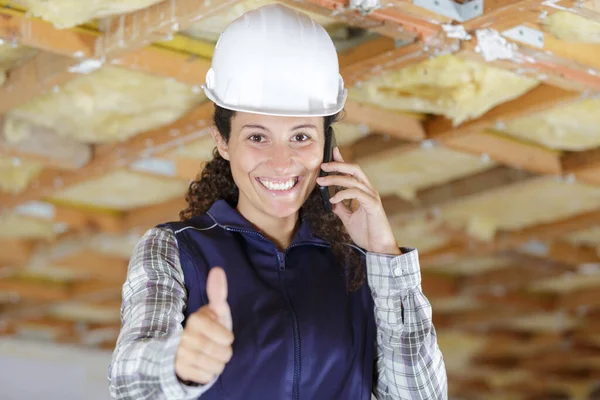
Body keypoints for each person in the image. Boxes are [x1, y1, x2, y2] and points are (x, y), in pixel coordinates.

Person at [108, 4, 447, 400]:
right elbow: (130, 384)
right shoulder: (175, 249)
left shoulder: (357, 267)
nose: (282, 162)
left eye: (301, 137)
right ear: (223, 141)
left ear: (327, 144)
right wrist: (178, 365)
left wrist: (387, 259)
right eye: (257, 137)